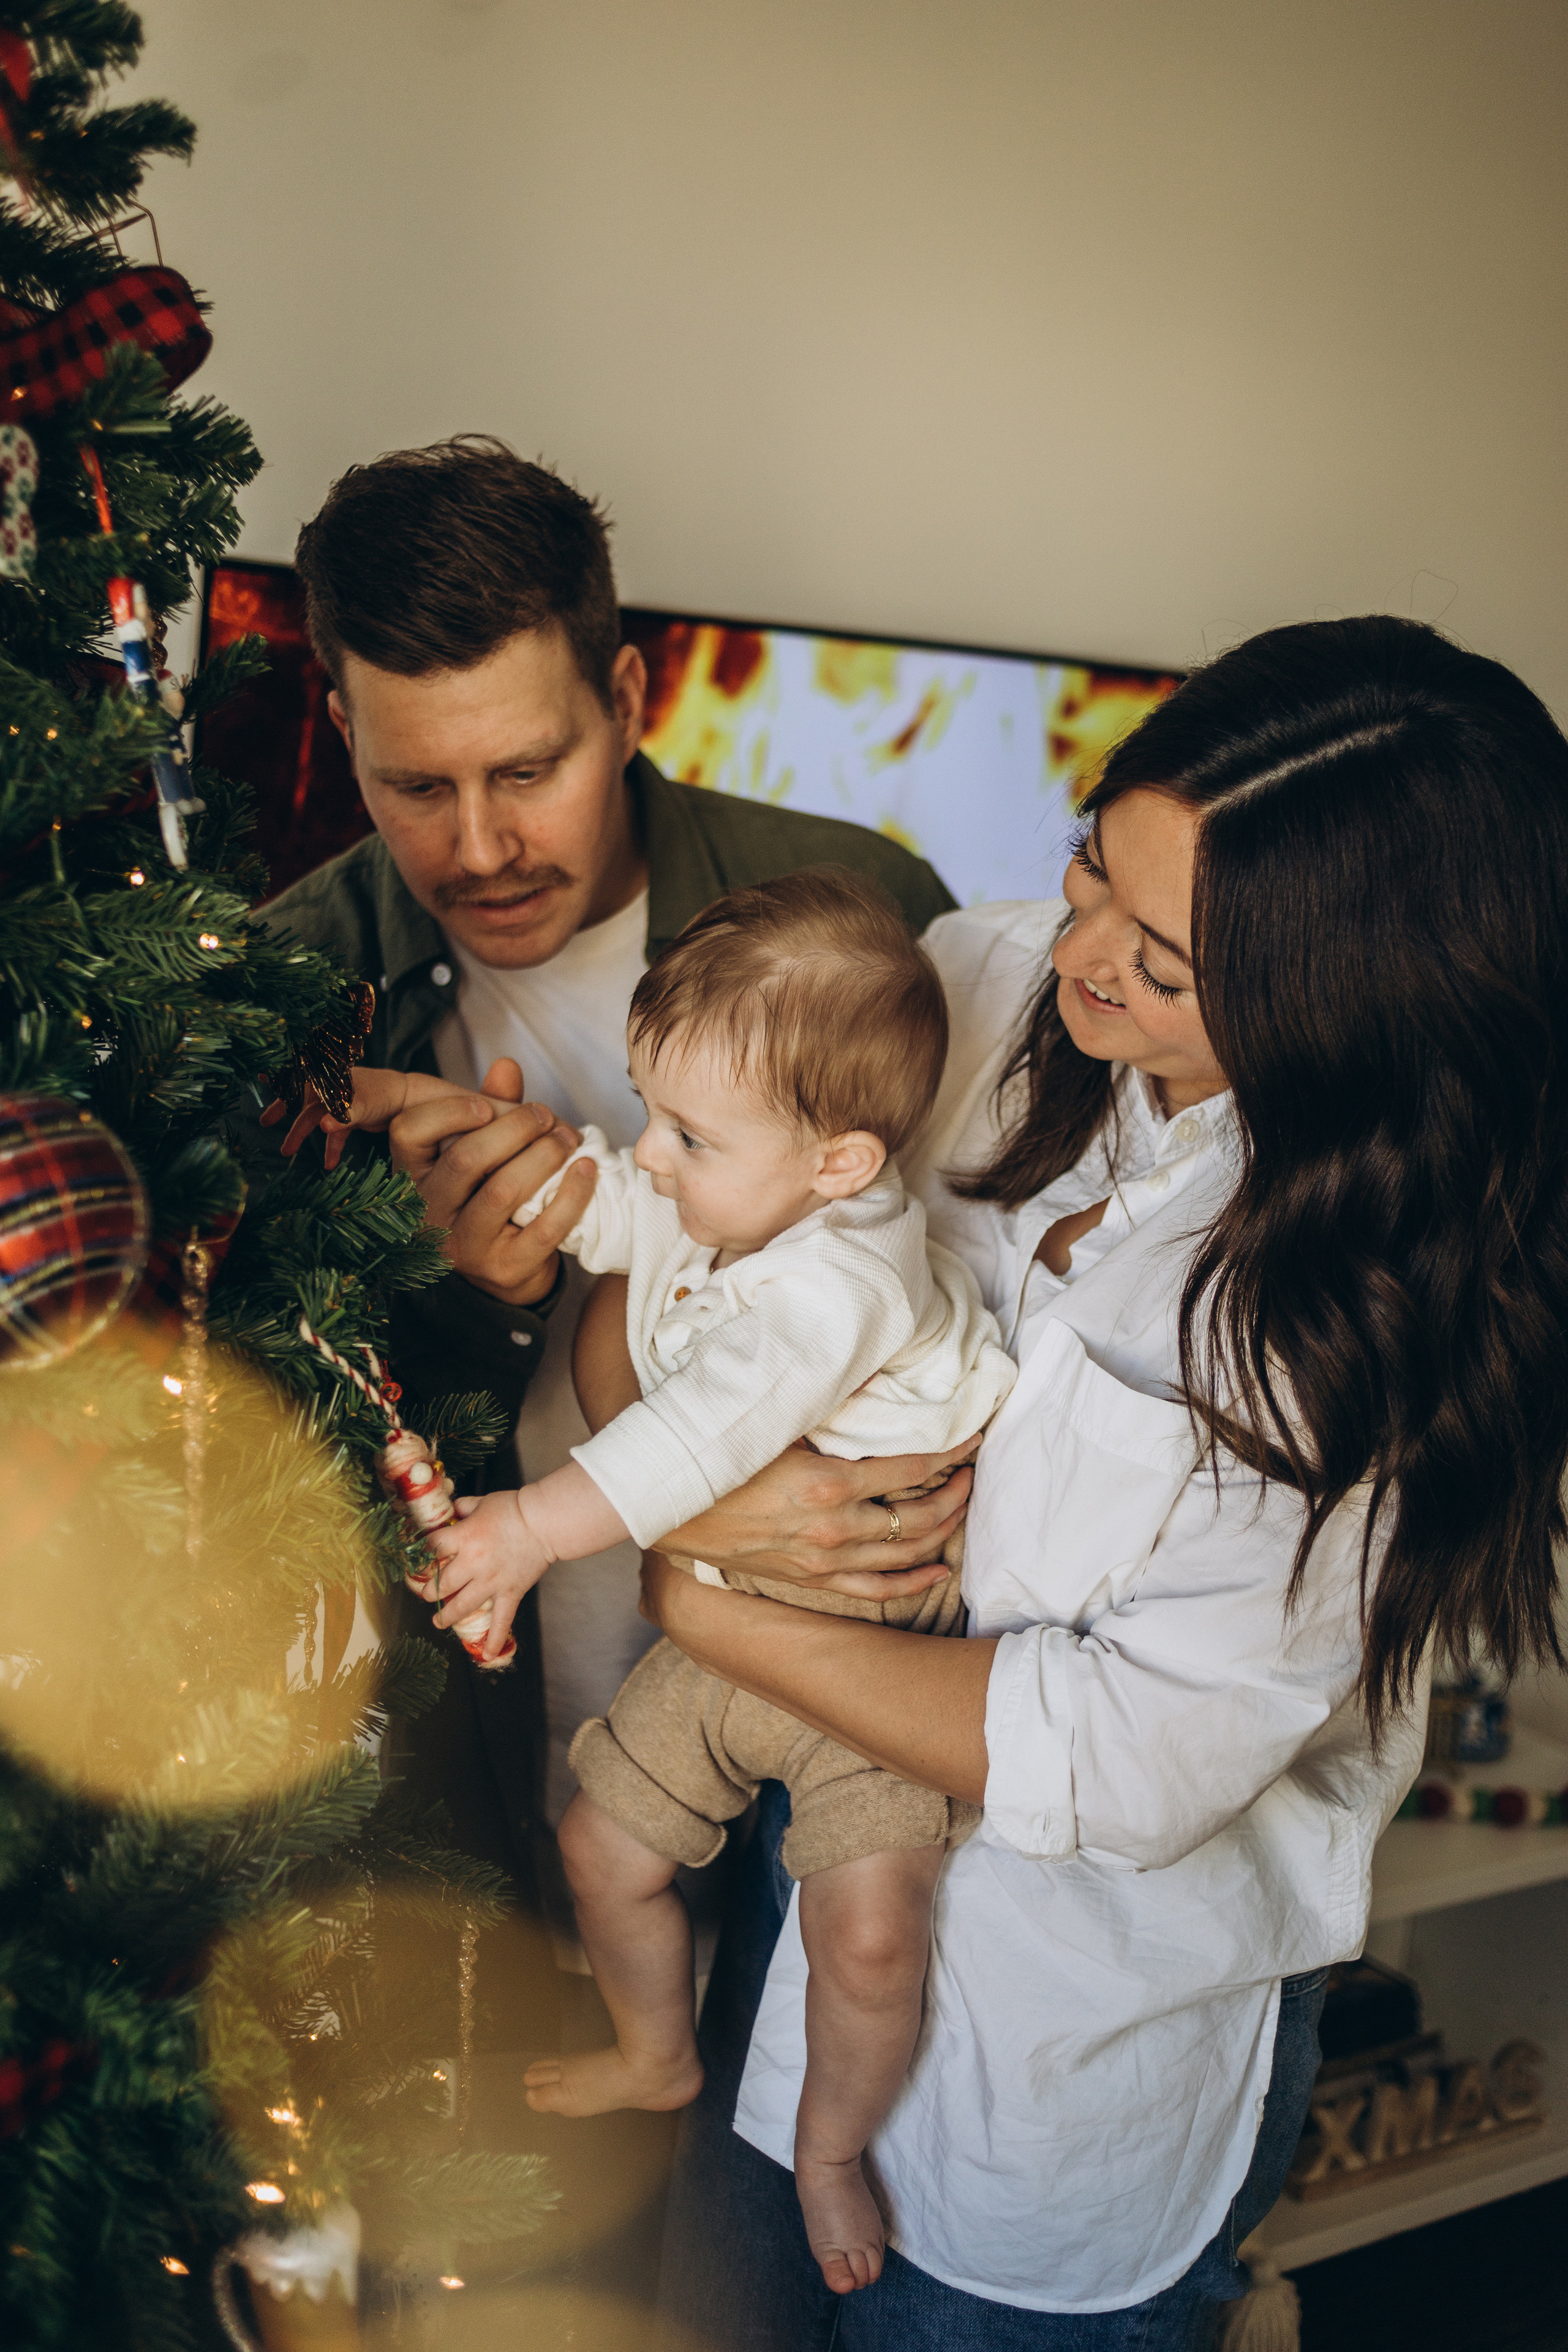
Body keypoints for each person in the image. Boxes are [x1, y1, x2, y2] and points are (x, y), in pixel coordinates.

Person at [552, 615, 1568, 2345]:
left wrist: (686, 1591)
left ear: (1350, 1002)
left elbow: (1125, 1753)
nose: (1081, 956)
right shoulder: (974, 979)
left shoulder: (1355, 1320)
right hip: (806, 1890)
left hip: (1065, 2036)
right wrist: (680, 1458)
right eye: (1093, 867)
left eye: (1163, 962)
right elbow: (686, 1310)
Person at [290, 873, 1016, 2293]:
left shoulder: (836, 1285)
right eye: (649, 1109)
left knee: (869, 1941)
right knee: (599, 1852)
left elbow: (693, 1439)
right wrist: (450, 1131)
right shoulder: (737, 1201)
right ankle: (654, 2051)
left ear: (842, 1165)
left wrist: (522, 1532)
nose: (655, 1153)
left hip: (860, 1665)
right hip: (725, 1636)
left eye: (687, 1132)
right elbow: (617, 1208)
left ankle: (826, 2149)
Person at [259, 438, 957, 1907]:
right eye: (414, 785)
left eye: (529, 769)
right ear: (339, 729)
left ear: (627, 700)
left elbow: (975, 1322)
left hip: (847, 1748)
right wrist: (463, 1296)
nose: (481, 845)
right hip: (488, 1807)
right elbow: (233, 1473)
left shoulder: (863, 917)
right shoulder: (282, 989)